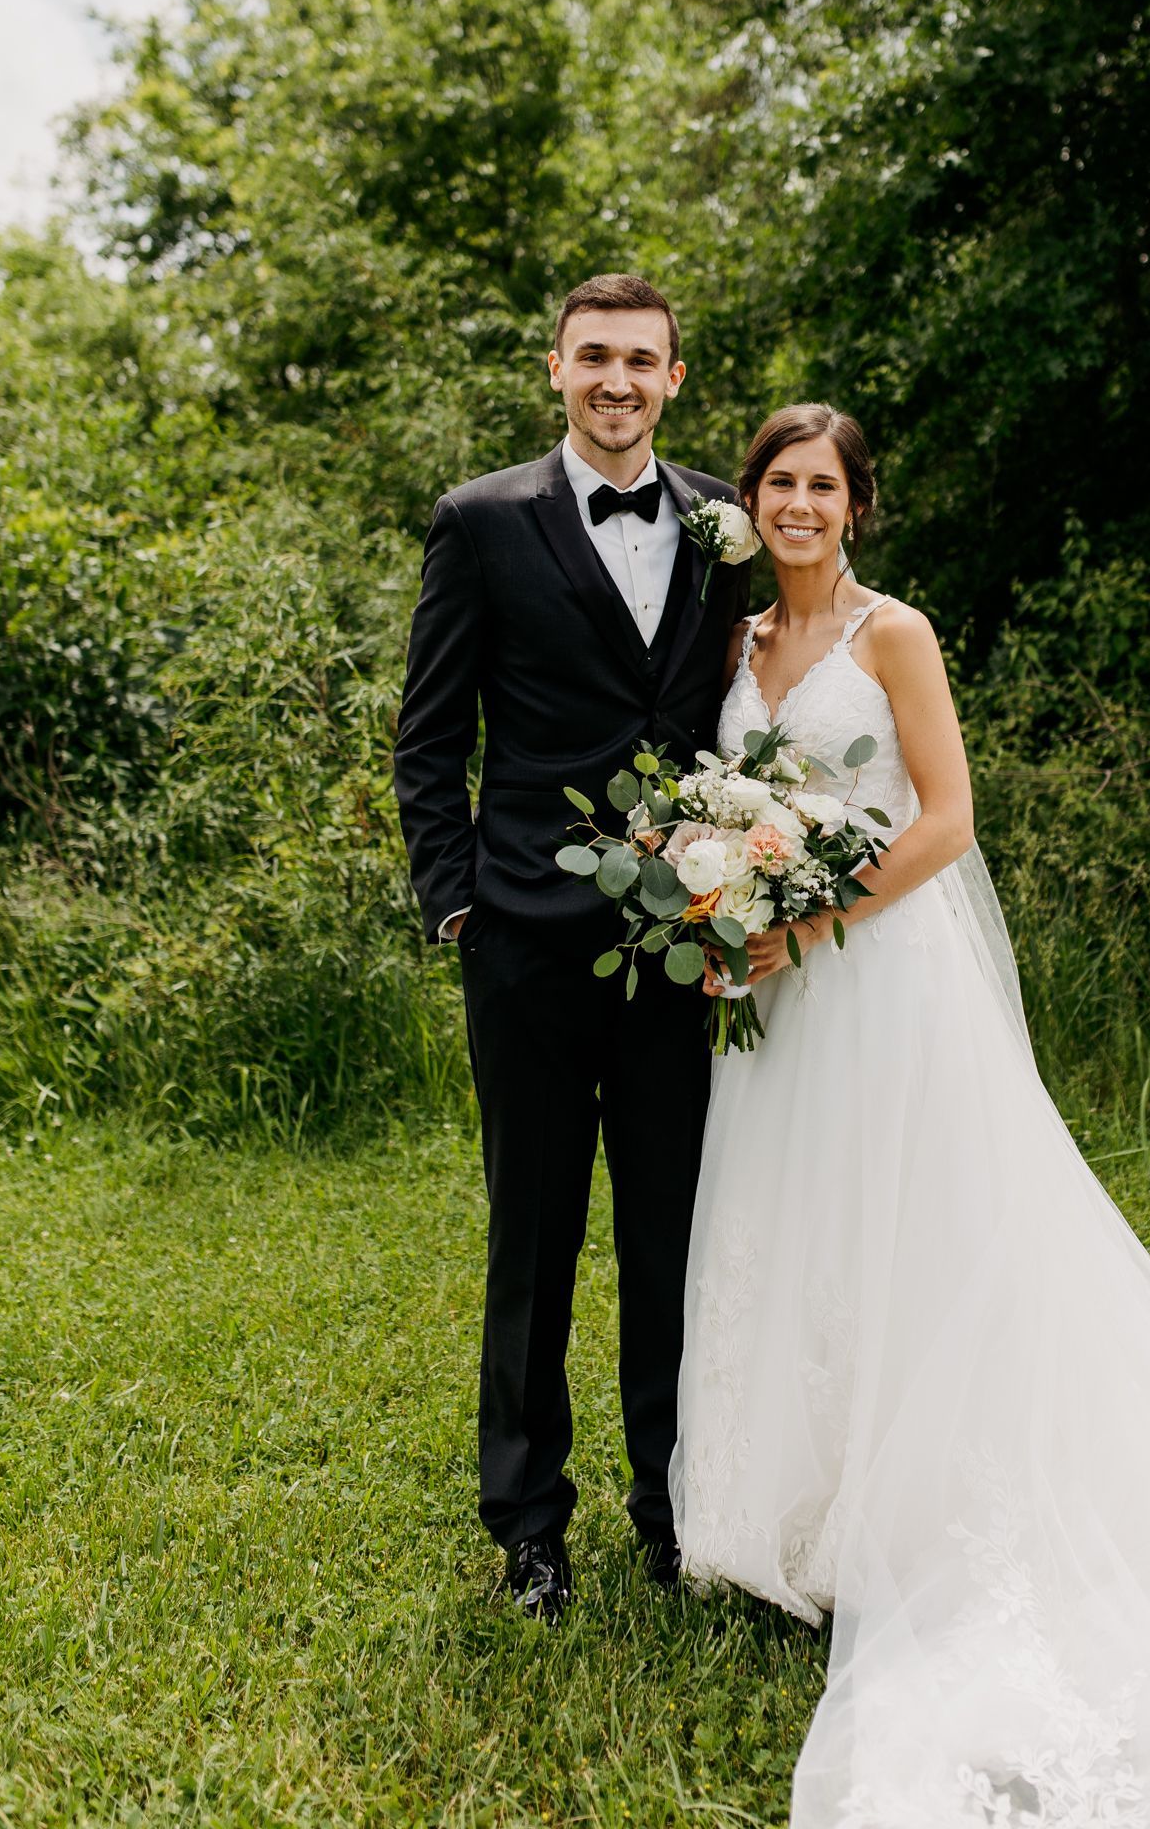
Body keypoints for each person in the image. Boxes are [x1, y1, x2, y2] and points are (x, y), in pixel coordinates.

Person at [674, 401, 1150, 1826]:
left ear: (857, 507)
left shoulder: (896, 636)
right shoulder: (736, 644)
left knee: (914, 1230)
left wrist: (810, 922)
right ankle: (788, 1517)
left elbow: (945, 819)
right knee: (790, 1220)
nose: (799, 503)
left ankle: (916, 1517)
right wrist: (727, 892)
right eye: (778, 482)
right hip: (777, 996)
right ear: (749, 503)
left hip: (881, 980)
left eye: (823, 484)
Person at [395, 274, 750, 1619]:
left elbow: (741, 718)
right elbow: (430, 738)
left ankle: (675, 1510)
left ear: (672, 375)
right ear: (557, 369)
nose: (617, 381)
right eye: (594, 356)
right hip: (526, 949)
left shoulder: (727, 524)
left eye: (640, 361)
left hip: (683, 951)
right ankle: (529, 1526)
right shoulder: (482, 523)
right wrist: (457, 905)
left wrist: (747, 888)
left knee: (675, 1239)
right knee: (533, 1243)